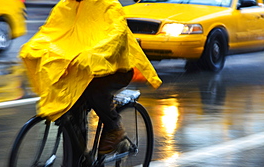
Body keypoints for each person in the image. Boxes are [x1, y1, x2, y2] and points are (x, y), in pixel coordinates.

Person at [20, 0, 162, 154]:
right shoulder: (64, 7)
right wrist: (33, 47)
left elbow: (116, 37)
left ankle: (115, 129)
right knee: (71, 112)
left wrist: (94, 55)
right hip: (82, 70)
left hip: (115, 69)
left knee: (94, 89)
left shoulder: (108, 5)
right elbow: (49, 34)